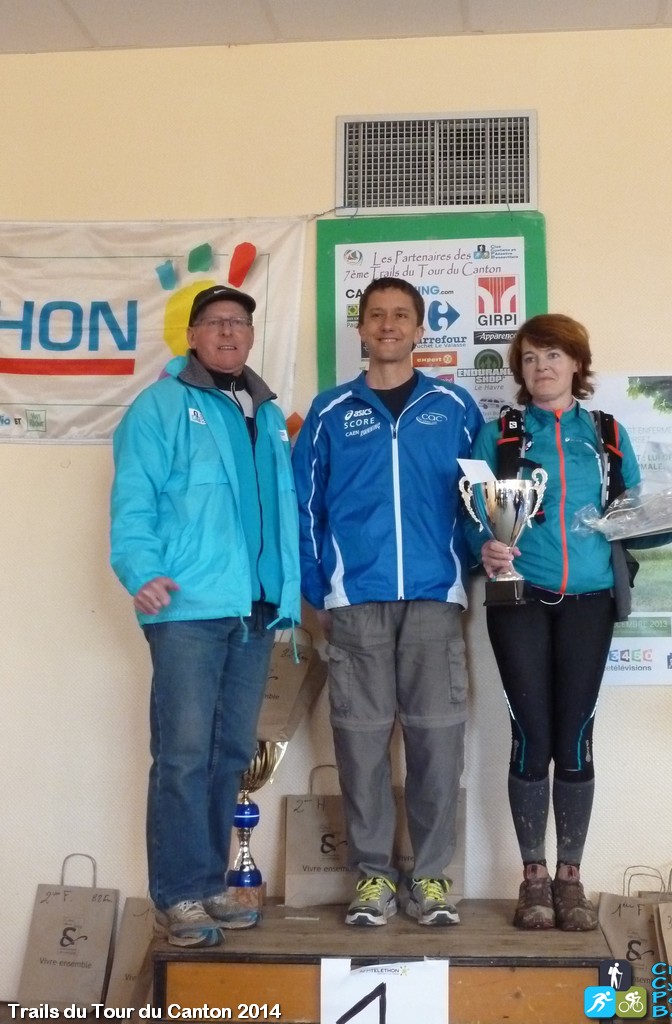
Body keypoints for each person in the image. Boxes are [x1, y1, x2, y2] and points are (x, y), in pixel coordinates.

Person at [110, 284, 300, 948]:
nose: (228, 332)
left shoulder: (265, 412)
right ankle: (178, 895)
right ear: (191, 336)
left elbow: (278, 507)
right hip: (186, 604)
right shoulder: (160, 405)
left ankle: (211, 879)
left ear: (251, 336)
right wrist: (140, 570)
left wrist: (287, 592)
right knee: (184, 754)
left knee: (229, 752)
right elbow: (134, 496)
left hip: (254, 607)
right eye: (215, 322)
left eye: (238, 323)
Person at [292, 276, 484, 928]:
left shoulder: (454, 408)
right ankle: (372, 876)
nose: (389, 325)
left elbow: (481, 499)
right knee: (360, 746)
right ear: (362, 328)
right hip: (356, 601)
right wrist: (319, 588)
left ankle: (430, 877)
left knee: (437, 744)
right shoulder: (329, 412)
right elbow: (303, 507)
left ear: (420, 328)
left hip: (433, 599)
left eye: (401, 315)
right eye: (377, 315)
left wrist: (475, 561)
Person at [469, 313, 664, 932]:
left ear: (577, 363)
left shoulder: (606, 434)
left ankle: (570, 879)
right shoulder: (500, 434)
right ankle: (532, 879)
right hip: (518, 598)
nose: (541, 367)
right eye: (529, 358)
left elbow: (633, 515)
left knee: (575, 737)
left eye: (552, 355)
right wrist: (483, 546)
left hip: (590, 600)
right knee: (531, 736)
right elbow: (471, 511)